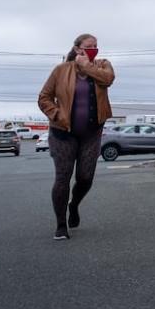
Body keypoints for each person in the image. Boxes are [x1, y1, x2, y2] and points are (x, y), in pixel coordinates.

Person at [37, 33, 115, 240]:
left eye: (96, 46)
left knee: (85, 177)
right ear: (78, 48)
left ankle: (75, 204)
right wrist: (56, 114)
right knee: (63, 176)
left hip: (91, 133)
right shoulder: (61, 70)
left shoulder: (103, 65)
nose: (94, 49)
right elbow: (44, 97)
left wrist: (86, 65)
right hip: (63, 133)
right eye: (89, 46)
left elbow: (108, 80)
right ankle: (61, 225)